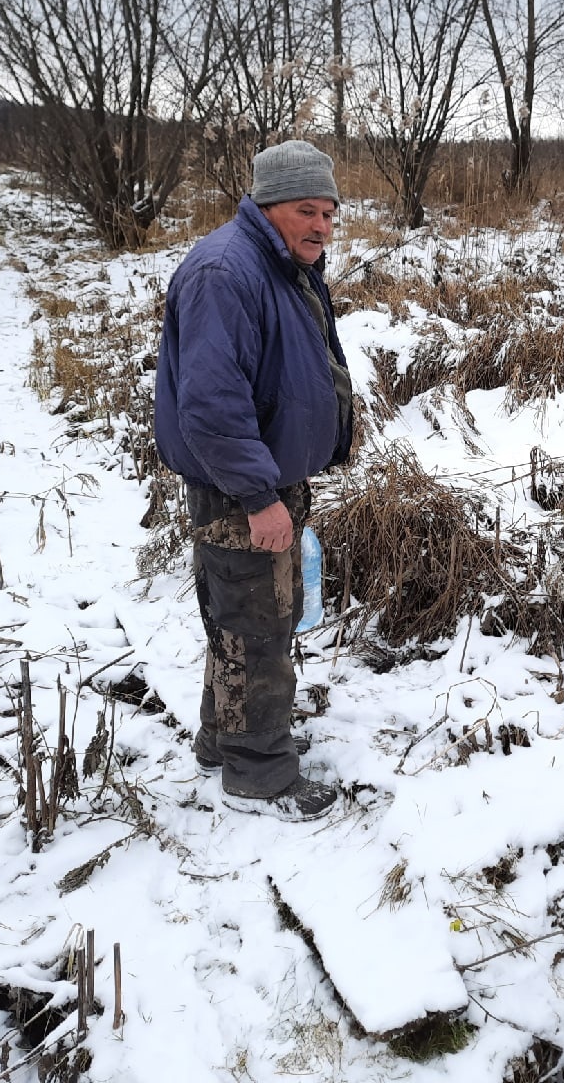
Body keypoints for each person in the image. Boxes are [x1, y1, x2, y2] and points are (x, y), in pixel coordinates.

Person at [153, 140, 354, 820]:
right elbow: (211, 404)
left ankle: (225, 738)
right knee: (258, 625)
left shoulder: (275, 264)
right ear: (268, 206)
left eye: (329, 212)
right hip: (242, 488)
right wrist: (260, 497)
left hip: (261, 478)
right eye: (307, 210)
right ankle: (260, 772)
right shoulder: (225, 271)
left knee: (245, 619)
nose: (321, 225)